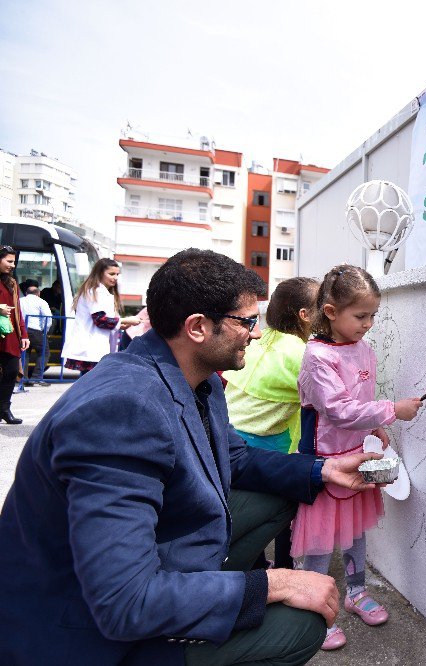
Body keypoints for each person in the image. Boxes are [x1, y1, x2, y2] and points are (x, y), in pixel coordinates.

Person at [0, 249, 386, 665]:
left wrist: (324, 468)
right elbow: (123, 602)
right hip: (81, 635)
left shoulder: (195, 380)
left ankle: (197, 596)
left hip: (138, 568)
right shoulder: (120, 411)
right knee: (299, 627)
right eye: (247, 322)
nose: (256, 335)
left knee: (287, 489)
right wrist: (271, 584)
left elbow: (236, 459)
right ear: (198, 328)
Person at [291, 264, 424, 651]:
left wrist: (374, 429)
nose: (368, 324)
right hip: (324, 461)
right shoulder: (317, 357)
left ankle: (355, 591)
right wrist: (391, 411)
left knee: (355, 531)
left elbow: (361, 404)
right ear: (331, 313)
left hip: (357, 453)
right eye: (360, 316)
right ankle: (313, 611)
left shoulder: (362, 347)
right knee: (319, 541)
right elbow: (338, 410)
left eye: (372, 316)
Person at [223, 276, 320, 569]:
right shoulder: (302, 353)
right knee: (283, 508)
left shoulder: (260, 340)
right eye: (323, 308)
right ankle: (281, 569)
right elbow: (328, 399)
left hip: (227, 436)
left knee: (242, 514)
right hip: (260, 445)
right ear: (304, 315)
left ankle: (256, 566)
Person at [62, 258, 141, 374]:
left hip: (95, 347)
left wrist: (120, 325)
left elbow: (103, 322)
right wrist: (127, 320)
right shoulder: (95, 291)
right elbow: (100, 320)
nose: (115, 277)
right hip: (90, 347)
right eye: (111, 274)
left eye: (117, 274)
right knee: (90, 385)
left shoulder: (101, 292)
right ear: (100, 273)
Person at [0, 245, 29, 424]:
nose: (12, 265)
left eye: (14, 262)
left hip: (10, 336)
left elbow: (18, 311)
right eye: (9, 261)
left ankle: (4, 409)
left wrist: (24, 335)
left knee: (11, 372)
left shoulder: (12, 283)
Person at [19, 284, 52, 387]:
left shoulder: (20, 300)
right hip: (36, 330)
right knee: (44, 352)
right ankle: (37, 377)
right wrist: (45, 331)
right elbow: (48, 318)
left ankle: (23, 378)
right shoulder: (41, 302)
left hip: (22, 330)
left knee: (25, 354)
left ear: (26, 293)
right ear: (38, 293)